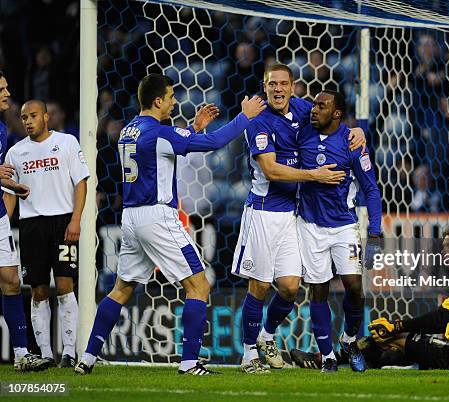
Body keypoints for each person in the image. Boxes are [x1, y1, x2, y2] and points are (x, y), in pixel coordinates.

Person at [74, 73, 266, 376]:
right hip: (157, 216)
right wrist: (244, 117)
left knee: (121, 289)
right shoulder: (159, 132)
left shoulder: (129, 130)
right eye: (171, 96)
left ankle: (87, 357)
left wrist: (193, 128)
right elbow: (212, 143)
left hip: (131, 218)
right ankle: (189, 362)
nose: (175, 101)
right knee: (199, 285)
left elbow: (166, 148)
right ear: (157, 100)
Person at [231, 63, 366, 373]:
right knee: (260, 285)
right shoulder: (258, 121)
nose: (278, 89)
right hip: (264, 212)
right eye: (271, 84)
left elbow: (333, 119)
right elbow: (271, 169)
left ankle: (265, 337)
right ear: (264, 88)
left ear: (292, 87)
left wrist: (356, 131)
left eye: (283, 84)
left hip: (292, 214)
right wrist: (313, 175)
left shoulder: (304, 109)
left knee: (291, 287)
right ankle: (249, 355)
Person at [296, 90, 382, 373]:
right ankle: (328, 356)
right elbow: (282, 102)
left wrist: (375, 233)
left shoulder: (352, 142)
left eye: (321, 106)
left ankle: (348, 340)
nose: (314, 109)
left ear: (336, 114)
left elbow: (370, 189)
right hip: (309, 225)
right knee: (317, 290)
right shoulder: (303, 131)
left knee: (355, 288)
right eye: (313, 104)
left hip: (345, 226)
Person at [4, 100, 89, 368]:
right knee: (38, 289)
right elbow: (9, 197)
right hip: (31, 226)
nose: (28, 121)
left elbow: (81, 183)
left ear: (46, 117)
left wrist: (76, 220)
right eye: (23, 117)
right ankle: (45, 354)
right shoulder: (15, 153)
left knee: (65, 286)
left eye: (32, 116)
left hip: (63, 222)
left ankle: (68, 352)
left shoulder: (67, 143)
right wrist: (4, 224)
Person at [367, 227, 449, 371]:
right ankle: (369, 360)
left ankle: (353, 354)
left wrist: (396, 326)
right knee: (398, 346)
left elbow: (440, 318)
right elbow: (440, 324)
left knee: (395, 339)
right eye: (443, 247)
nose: (444, 251)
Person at [0, 71, 50, 372]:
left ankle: (21, 354)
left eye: (6, 86)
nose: (7, 92)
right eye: (2, 88)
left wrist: (12, 187)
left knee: (12, 281)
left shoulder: (2, 129)